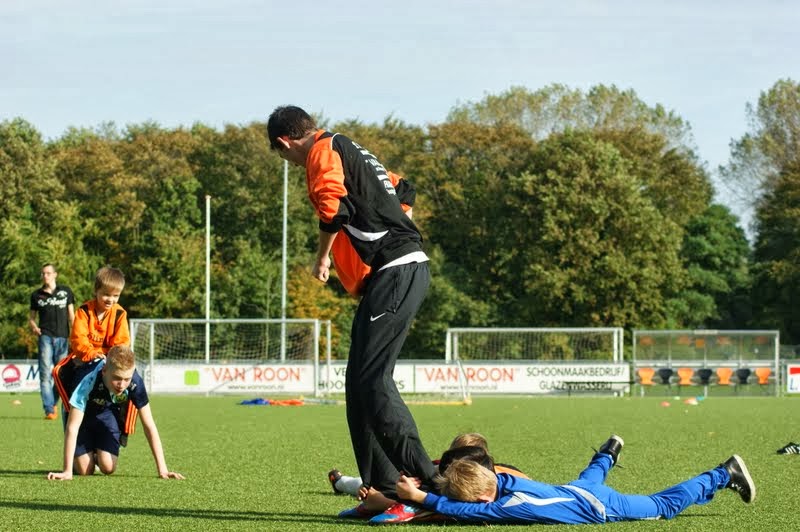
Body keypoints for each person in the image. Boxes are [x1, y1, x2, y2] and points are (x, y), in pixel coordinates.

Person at [267, 105, 435, 520]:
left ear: (285, 143)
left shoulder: (322, 151)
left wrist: (322, 258)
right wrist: (392, 229)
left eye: (283, 155)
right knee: (357, 383)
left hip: (398, 270)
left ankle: (429, 487)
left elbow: (332, 209)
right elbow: (405, 191)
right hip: (392, 272)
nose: (289, 162)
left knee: (373, 380)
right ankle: (385, 489)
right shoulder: (351, 149)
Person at [392, 435, 756, 526]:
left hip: (599, 506)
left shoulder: (508, 505)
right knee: (592, 475)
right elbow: (471, 500)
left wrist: (422, 499)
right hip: (577, 490)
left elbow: (472, 512)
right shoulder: (503, 482)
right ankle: (608, 451)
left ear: (484, 498)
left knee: (662, 506)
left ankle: (724, 473)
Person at [46, 345, 184, 480]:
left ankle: (97, 453)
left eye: (126, 379)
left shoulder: (135, 382)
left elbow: (149, 425)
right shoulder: (88, 380)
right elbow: (73, 427)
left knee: (108, 467)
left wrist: (163, 470)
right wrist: (67, 471)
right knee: (84, 470)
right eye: (117, 378)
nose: (122, 385)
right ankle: (85, 456)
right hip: (83, 416)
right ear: (104, 371)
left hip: (107, 413)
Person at [329, 432, 528, 498]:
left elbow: (522, 480)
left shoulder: (497, 475)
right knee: (371, 486)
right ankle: (341, 482)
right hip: (398, 487)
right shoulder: (434, 469)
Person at [29, 263, 75, 420]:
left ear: (55, 274)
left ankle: (53, 402)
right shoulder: (36, 295)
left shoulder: (66, 292)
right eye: (43, 273)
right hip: (45, 337)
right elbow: (31, 318)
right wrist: (34, 327)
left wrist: (76, 334)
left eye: (48, 273)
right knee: (44, 374)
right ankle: (49, 409)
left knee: (60, 373)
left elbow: (72, 315)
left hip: (63, 337)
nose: (45, 276)